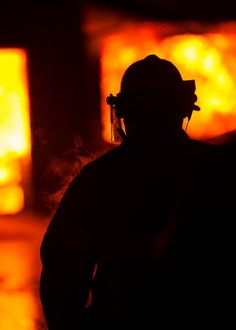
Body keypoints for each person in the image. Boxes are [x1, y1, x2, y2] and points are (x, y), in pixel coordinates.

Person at [39, 54, 233, 329]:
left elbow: (62, 278)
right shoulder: (220, 169)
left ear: (122, 113)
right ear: (183, 110)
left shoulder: (98, 179)